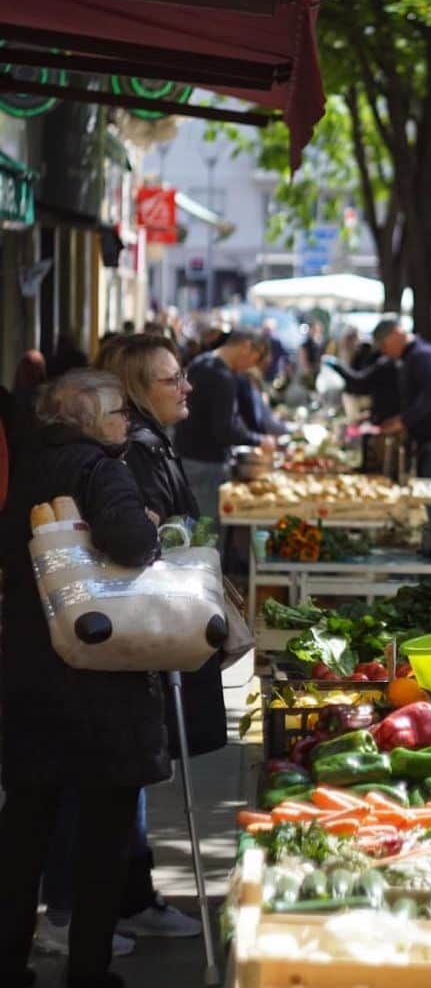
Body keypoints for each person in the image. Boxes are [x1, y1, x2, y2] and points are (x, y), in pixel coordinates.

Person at [37, 336, 209, 957]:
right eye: (170, 380)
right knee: (100, 790)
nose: (184, 388)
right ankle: (80, 922)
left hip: (87, 645)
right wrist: (164, 536)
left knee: (96, 787)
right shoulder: (116, 460)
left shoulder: (115, 451)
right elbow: (132, 543)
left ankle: (119, 904)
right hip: (104, 641)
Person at [0, 368, 167, 988]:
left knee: (25, 828)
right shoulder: (101, 468)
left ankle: (8, 962)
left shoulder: (28, 462)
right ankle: (88, 970)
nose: (127, 421)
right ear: (91, 420)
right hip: (99, 670)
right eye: (120, 411)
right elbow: (129, 543)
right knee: (103, 835)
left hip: (30, 666)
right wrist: (148, 526)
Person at [174, 329, 275, 524]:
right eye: (255, 359)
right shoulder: (221, 375)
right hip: (206, 464)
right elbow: (225, 428)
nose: (250, 367)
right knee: (206, 530)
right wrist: (258, 439)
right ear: (246, 346)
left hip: (187, 456)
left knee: (192, 525)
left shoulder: (201, 361)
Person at [371, 316, 431, 478]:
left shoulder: (422, 356)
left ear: (397, 334)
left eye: (384, 345)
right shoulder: (412, 356)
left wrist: (403, 420)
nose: (383, 352)